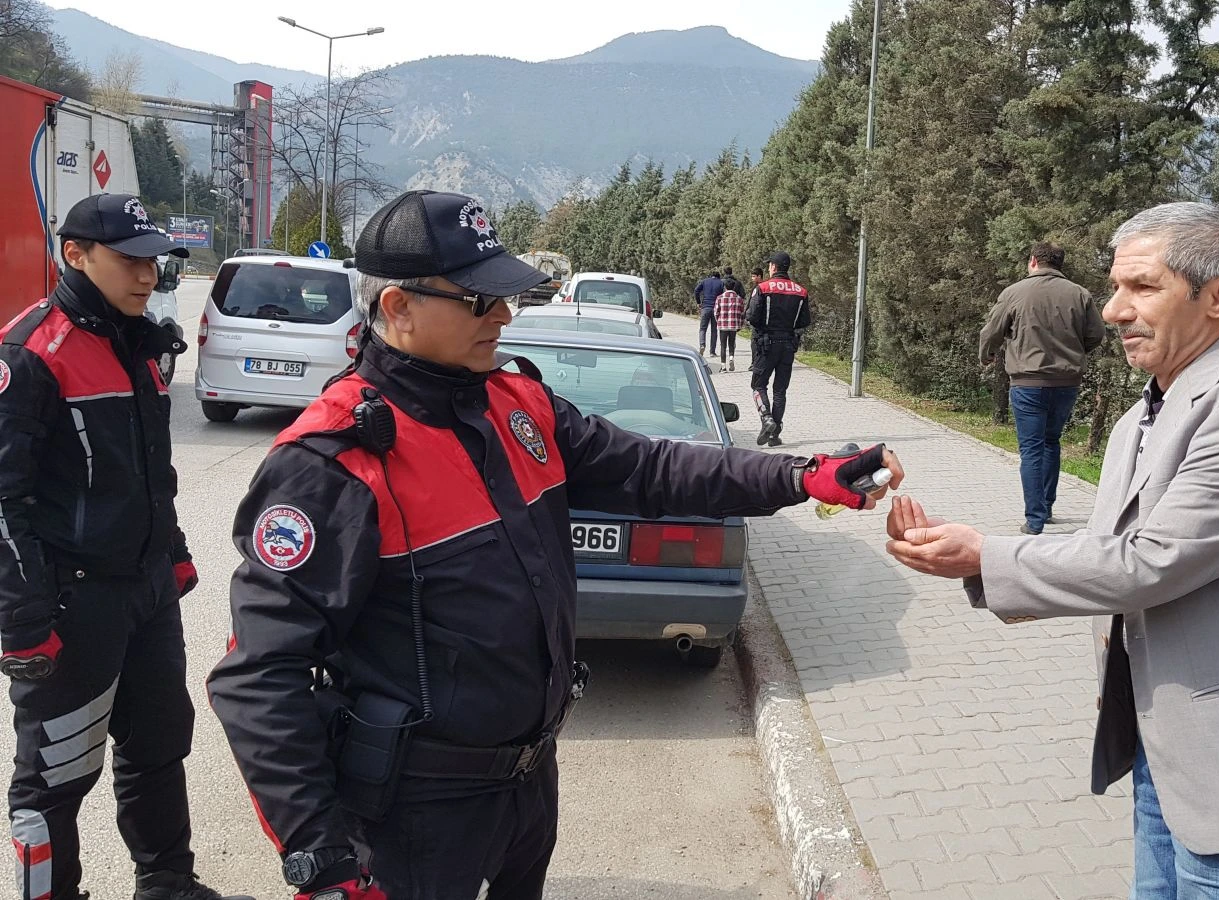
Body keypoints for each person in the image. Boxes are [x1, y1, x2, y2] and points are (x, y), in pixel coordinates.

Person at [206, 191, 903, 900]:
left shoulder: (517, 403)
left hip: (526, 789)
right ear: (398, 308)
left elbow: (653, 469)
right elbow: (258, 676)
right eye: (480, 301)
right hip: (413, 815)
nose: (504, 316)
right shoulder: (334, 464)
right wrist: (322, 863)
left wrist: (802, 476)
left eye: (505, 296)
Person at [885, 202, 1219, 900]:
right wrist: (984, 559)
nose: (1111, 310)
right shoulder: (1146, 412)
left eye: (1141, 287)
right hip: (1168, 753)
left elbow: (1149, 561)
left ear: (1218, 296)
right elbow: (1110, 553)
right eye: (1114, 287)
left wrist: (986, 556)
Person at [0, 194, 252, 900]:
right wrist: (22, 620)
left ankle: (167, 883)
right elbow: (3, 500)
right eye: (131, 260)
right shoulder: (30, 355)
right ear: (74, 255)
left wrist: (170, 553)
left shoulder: (138, 343)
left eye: (155, 261)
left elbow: (153, 470)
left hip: (145, 592)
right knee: (54, 775)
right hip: (72, 601)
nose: (148, 275)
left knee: (159, 744)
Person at [979, 242, 1104, 534]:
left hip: (1028, 383)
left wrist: (987, 354)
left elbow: (992, 331)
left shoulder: (1014, 292)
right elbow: (1096, 334)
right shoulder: (1079, 294)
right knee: (1051, 441)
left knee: (1032, 449)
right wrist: (1075, 351)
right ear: (1059, 264)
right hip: (1067, 382)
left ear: (1033, 260)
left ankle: (1034, 520)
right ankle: (1046, 508)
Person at [747, 251, 811, 447]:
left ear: (773, 267)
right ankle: (775, 434)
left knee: (758, 385)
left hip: (766, 345)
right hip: (788, 345)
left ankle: (766, 418)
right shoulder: (801, 292)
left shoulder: (762, 288)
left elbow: (751, 316)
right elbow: (804, 321)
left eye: (769, 265)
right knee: (780, 390)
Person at [714, 275, 746, 372]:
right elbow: (742, 313)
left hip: (723, 325)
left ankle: (723, 366)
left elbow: (716, 312)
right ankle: (731, 357)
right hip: (734, 325)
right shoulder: (739, 298)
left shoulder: (719, 298)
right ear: (734, 287)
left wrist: (718, 321)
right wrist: (740, 325)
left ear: (725, 287)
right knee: (732, 343)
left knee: (723, 345)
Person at [692, 270, 723, 354]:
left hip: (705, 307)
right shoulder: (721, 283)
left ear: (711, 276)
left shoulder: (704, 281)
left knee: (702, 328)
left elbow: (696, 291)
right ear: (718, 276)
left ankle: (702, 344)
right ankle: (712, 351)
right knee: (714, 330)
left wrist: (698, 302)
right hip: (716, 308)